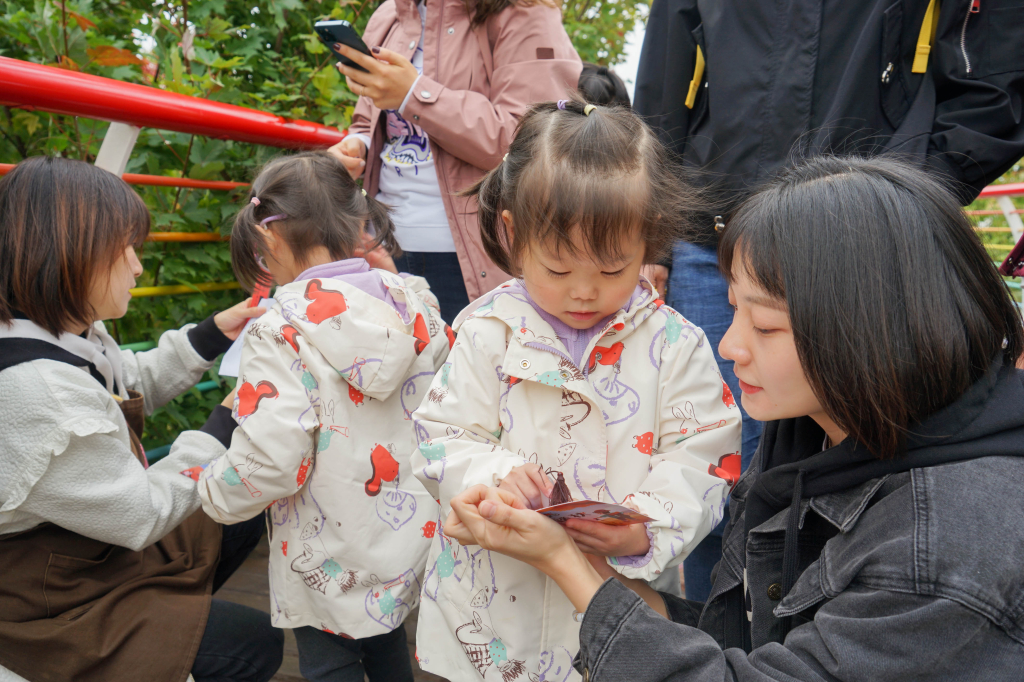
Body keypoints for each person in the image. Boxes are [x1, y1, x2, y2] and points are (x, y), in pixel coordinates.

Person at [443, 155, 1024, 680]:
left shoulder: (945, 551)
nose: (729, 347)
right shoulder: (813, 433)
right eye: (732, 311)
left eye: (766, 325)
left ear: (870, 329)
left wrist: (564, 562)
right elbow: (738, 644)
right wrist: (581, 560)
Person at [632, 0, 1024, 603]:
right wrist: (654, 233)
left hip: (870, 246)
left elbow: (996, 72)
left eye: (762, 326)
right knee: (725, 470)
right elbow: (662, 82)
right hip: (714, 223)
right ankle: (732, 619)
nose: (732, 347)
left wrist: (900, 197)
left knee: (880, 457)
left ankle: (843, 620)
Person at [408, 98, 742, 682]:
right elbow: (441, 436)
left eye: (614, 269)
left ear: (650, 239)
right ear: (512, 233)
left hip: (615, 607)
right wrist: (493, 477)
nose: (584, 292)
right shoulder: (488, 330)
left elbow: (704, 456)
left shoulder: (674, 343)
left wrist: (647, 525)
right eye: (558, 269)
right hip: (488, 610)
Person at [0, 156, 281, 682]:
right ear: (68, 254)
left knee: (242, 503)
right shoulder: (34, 391)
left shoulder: (53, 332)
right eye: (125, 249)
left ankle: (176, 613)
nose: (137, 266)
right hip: (47, 606)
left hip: (85, 555)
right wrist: (229, 417)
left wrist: (211, 334)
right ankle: (165, 632)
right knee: (252, 645)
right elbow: (141, 514)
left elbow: (125, 380)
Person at [194, 151, 452, 682]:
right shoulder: (414, 302)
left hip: (323, 550)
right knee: (384, 643)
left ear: (268, 240)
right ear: (359, 224)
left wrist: (211, 489)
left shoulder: (279, 329)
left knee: (327, 662)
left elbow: (271, 460)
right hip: (409, 535)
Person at [326, 0, 582, 324]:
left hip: (477, 258)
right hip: (382, 245)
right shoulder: (391, 13)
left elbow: (535, 140)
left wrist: (414, 95)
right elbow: (366, 119)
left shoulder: (526, 11)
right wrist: (357, 144)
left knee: (470, 370)